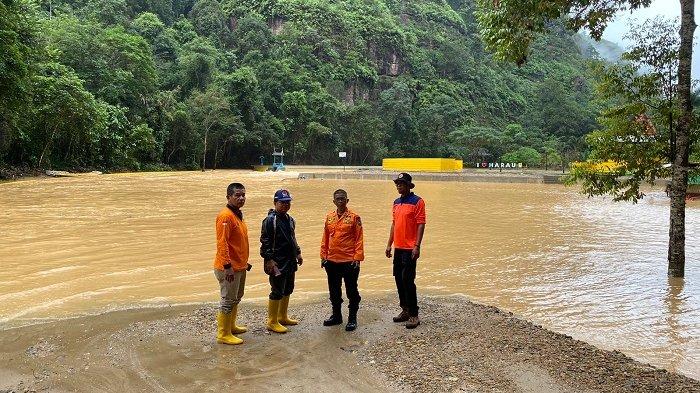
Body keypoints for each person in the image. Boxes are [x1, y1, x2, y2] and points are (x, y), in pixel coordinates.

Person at [385, 173, 426, 329]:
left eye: (402, 183)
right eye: (397, 184)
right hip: (398, 248)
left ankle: (414, 315)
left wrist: (417, 245)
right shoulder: (396, 203)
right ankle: (405, 310)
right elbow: (394, 224)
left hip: (410, 249)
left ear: (409, 185)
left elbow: (421, 224)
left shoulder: (418, 202)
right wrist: (389, 244)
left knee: (408, 280)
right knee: (398, 279)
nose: (398, 186)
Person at [320, 189, 364, 331]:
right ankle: (337, 316)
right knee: (334, 291)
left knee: (352, 291)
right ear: (334, 201)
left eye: (343, 199)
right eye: (338, 199)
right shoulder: (329, 217)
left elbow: (359, 238)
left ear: (347, 201)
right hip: (332, 261)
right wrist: (323, 256)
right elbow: (325, 238)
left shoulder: (354, 217)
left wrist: (357, 258)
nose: (340, 201)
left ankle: (352, 319)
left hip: (349, 261)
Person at [260, 189, 304, 333]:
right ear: (275, 203)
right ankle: (272, 321)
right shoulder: (270, 220)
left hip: (290, 259)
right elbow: (265, 241)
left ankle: (283, 316)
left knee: (288, 288)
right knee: (277, 290)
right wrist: (269, 260)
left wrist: (298, 253)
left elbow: (292, 237)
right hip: (277, 261)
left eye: (287, 202)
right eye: (282, 202)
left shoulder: (290, 219)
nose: (285, 205)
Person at [213, 182, 250, 345]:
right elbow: (222, 243)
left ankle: (231, 326)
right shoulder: (225, 216)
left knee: (236, 297)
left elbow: (238, 242)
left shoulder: (237, 214)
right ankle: (223, 334)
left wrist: (244, 262)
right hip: (228, 268)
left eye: (243, 195)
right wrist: (227, 267)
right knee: (228, 300)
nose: (241, 198)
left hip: (239, 266)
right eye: (237, 195)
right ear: (228, 197)